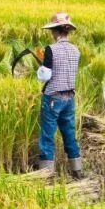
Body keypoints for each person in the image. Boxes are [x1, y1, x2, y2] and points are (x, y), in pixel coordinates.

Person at [34, 12, 84, 179]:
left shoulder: (51, 49)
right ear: (68, 31)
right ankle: (77, 170)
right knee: (69, 134)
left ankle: (45, 174)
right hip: (69, 98)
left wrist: (41, 67)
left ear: (55, 31)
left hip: (53, 98)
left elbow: (45, 76)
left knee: (47, 135)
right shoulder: (76, 50)